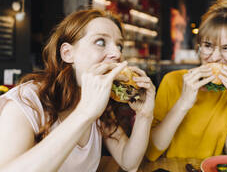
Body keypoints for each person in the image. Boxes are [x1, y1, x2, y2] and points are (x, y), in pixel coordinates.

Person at [0, 9, 155, 172]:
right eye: (101, 42)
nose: (117, 53)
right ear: (68, 53)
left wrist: (145, 115)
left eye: (119, 46)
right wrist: (85, 112)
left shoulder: (101, 106)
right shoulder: (26, 102)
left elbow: (129, 162)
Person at [146, 0, 227, 161]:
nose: (216, 57)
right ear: (199, 46)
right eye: (208, 45)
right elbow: (152, 151)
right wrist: (183, 103)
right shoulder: (172, 81)